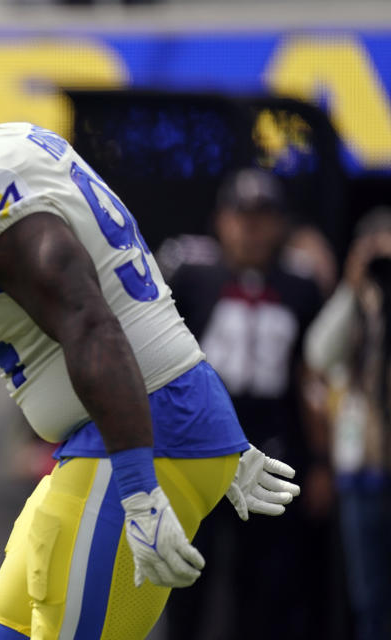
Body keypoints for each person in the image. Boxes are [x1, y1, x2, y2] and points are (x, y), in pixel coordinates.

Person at [0, 20, 301, 640]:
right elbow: (132, 297)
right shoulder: (18, 143)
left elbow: (90, 316)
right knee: (6, 629)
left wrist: (141, 487)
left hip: (131, 440)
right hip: (142, 424)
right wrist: (212, 428)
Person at [164, 168, 335, 640]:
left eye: (263, 218)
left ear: (281, 225)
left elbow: (312, 380)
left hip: (272, 443)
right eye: (243, 217)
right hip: (200, 445)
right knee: (187, 569)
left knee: (266, 579)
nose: (251, 229)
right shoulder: (191, 275)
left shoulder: (301, 286)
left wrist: (320, 461)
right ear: (221, 220)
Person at [304, 207, 391, 640]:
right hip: (364, 473)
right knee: (368, 598)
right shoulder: (358, 305)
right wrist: (353, 286)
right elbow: (319, 352)